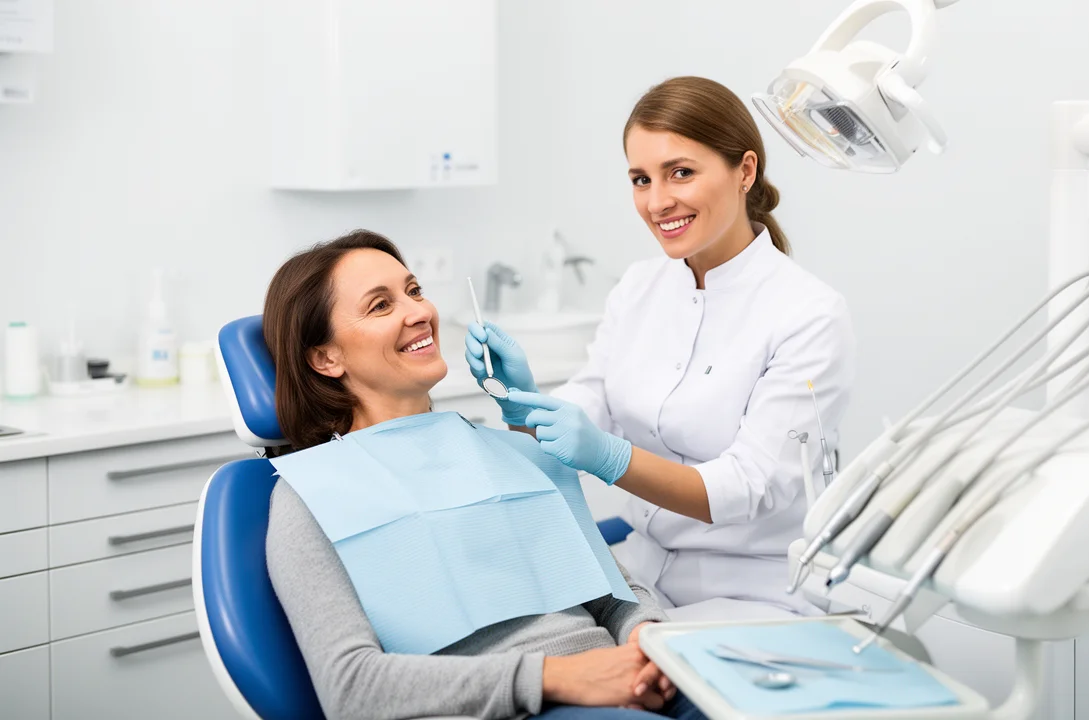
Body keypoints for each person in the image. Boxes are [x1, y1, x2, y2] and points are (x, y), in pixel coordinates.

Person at [262, 230, 706, 720]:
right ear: (327, 358)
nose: (419, 312)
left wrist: (649, 646)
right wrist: (555, 678)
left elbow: (616, 597)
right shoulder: (313, 494)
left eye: (414, 291)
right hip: (527, 706)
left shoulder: (509, 450)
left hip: (632, 679)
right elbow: (352, 689)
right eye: (380, 306)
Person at [465, 77, 856, 620]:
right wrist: (523, 403)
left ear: (745, 171)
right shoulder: (639, 286)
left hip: (753, 593)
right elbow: (593, 401)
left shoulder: (808, 314)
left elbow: (746, 486)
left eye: (681, 173)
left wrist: (608, 457)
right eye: (640, 179)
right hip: (641, 575)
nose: (656, 201)